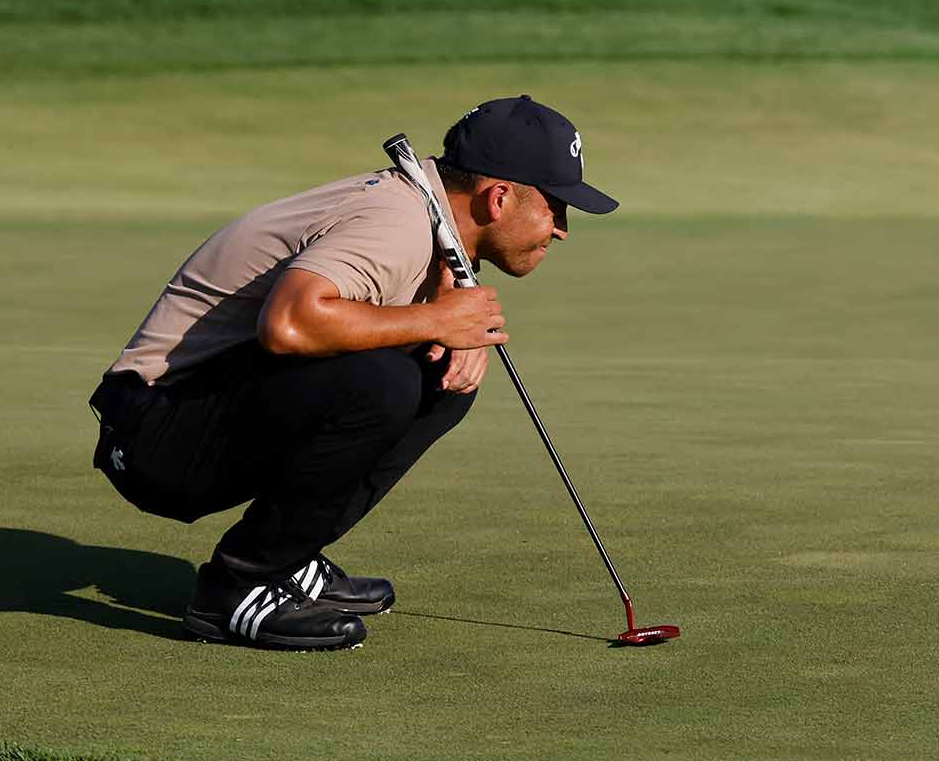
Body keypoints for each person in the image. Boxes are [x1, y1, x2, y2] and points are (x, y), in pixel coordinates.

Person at [89, 96, 617, 651]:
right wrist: (435, 318)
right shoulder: (397, 221)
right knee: (382, 382)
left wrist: (439, 325)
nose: (561, 229)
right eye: (556, 208)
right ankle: (236, 588)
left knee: (440, 378)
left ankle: (287, 553)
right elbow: (289, 325)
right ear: (499, 197)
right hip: (153, 432)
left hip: (207, 407)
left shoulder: (428, 222)